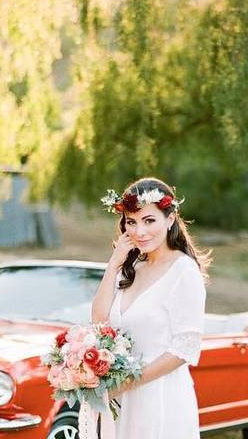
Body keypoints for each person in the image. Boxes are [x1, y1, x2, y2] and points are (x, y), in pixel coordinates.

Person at [82, 177, 212, 439]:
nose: (139, 232)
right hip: (121, 400)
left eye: (149, 220)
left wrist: (130, 382)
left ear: (170, 219)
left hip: (159, 398)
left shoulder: (184, 272)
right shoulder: (132, 268)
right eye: (132, 222)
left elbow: (184, 348)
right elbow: (99, 320)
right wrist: (114, 264)